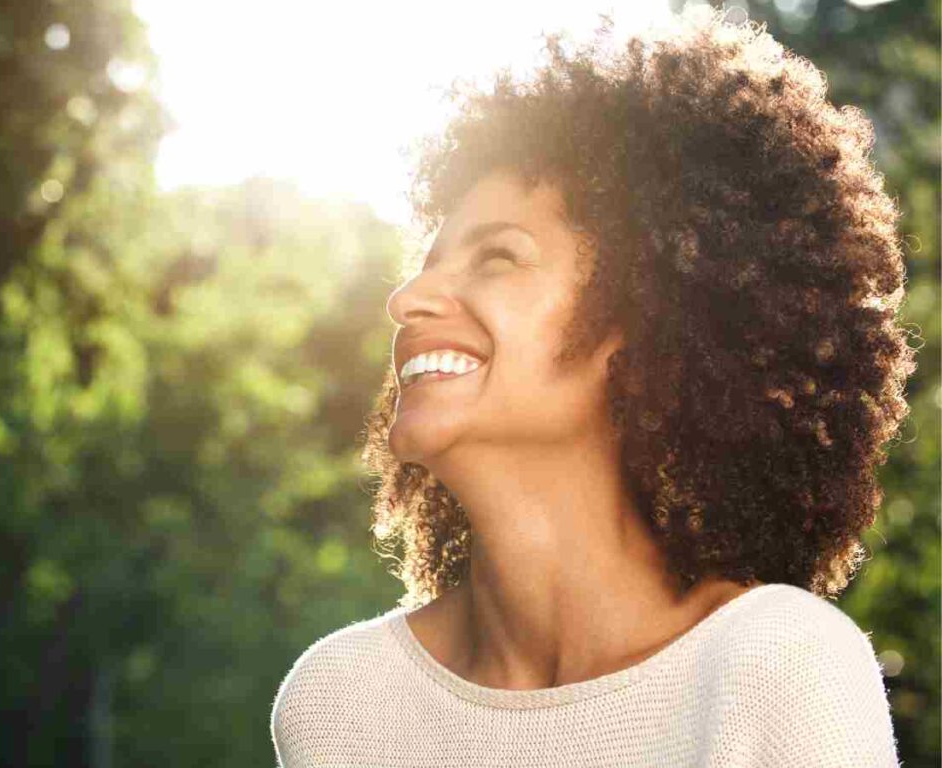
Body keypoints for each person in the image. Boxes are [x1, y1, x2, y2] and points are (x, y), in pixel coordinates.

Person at [272, 7, 913, 766]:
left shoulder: (775, 666)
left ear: (647, 319)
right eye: (427, 262)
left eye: (499, 258)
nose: (407, 299)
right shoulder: (343, 700)